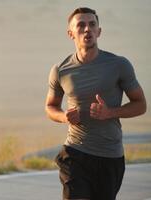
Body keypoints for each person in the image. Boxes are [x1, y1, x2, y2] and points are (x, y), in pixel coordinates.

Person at [45, 7, 147, 200]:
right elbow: (50, 106)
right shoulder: (61, 70)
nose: (87, 29)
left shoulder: (119, 65)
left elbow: (140, 105)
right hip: (75, 152)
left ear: (99, 31)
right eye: (81, 25)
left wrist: (110, 112)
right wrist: (63, 116)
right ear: (71, 33)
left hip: (110, 156)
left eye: (92, 24)